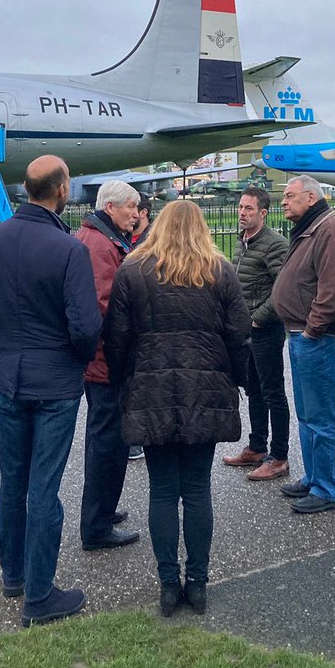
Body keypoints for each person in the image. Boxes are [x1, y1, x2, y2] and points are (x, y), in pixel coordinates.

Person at [0, 155, 103, 628]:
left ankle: (15, 573)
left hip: (13, 375)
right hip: (56, 381)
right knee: (44, 488)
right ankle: (39, 595)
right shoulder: (67, 249)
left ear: (25, 189)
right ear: (61, 190)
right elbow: (85, 327)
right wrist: (72, 356)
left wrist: (11, 340)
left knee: (15, 482)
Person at [105, 200, 251, 616]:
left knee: (164, 490)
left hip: (150, 386)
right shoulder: (219, 270)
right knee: (198, 488)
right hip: (205, 386)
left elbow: (116, 337)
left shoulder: (133, 269)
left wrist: (124, 382)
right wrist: (236, 379)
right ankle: (198, 581)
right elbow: (240, 333)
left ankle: (169, 582)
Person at [271, 175, 335, 514]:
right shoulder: (312, 227)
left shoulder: (329, 230)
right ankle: (314, 477)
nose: (283, 202)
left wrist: (311, 331)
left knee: (321, 415)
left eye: (289, 196)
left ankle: (326, 488)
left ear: (310, 197)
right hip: (303, 334)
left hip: (317, 337)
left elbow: (332, 290)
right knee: (307, 414)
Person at [75, 179, 143, 551]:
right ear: (111, 207)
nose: (136, 213)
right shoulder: (101, 244)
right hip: (107, 362)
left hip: (102, 361)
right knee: (106, 443)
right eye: (131, 207)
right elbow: (106, 305)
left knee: (106, 441)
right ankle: (96, 525)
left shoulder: (100, 238)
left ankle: (102, 509)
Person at [222, 186, 291, 481]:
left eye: (249, 209)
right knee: (254, 391)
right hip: (246, 331)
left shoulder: (275, 244)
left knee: (273, 392)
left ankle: (279, 456)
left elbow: (283, 290)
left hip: (266, 330)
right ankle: (257, 446)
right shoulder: (243, 241)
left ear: (263, 213)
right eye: (240, 207)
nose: (242, 213)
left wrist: (257, 320)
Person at [127, 192, 153, 461]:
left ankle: (141, 439)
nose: (133, 215)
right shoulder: (126, 237)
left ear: (144, 212)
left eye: (135, 208)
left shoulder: (152, 240)